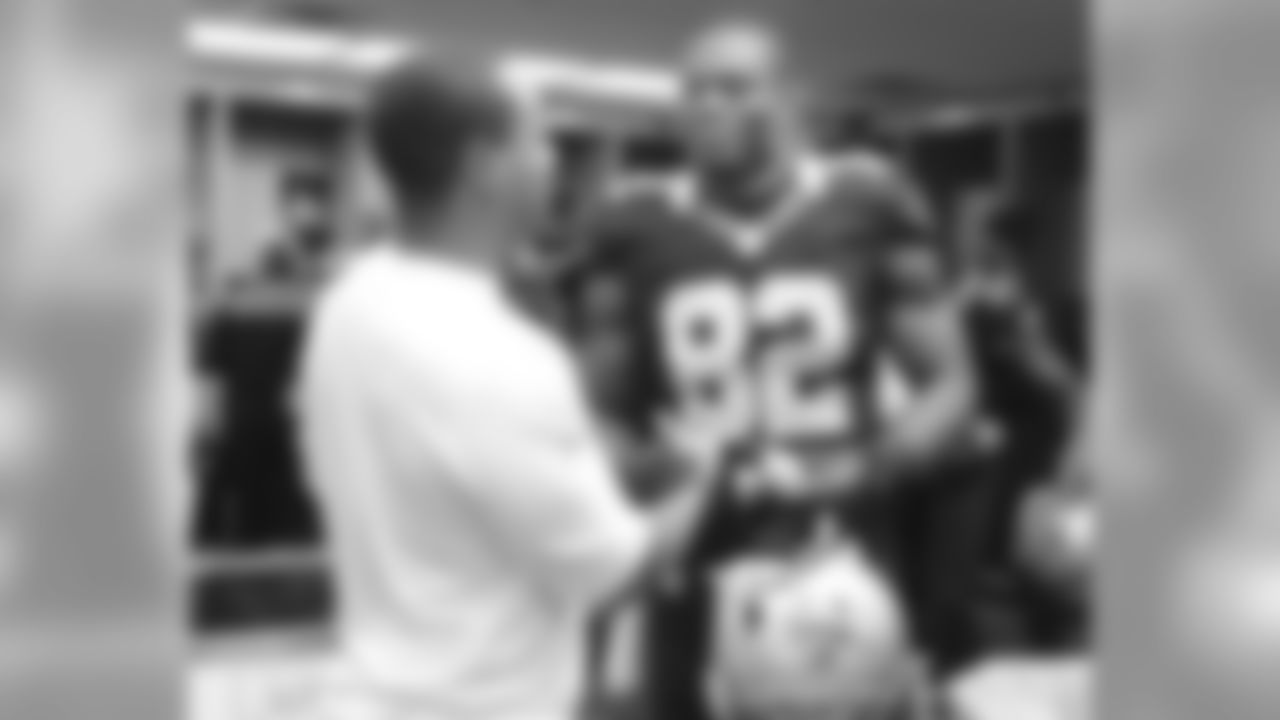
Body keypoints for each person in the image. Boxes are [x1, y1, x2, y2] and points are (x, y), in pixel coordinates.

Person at [570, 20, 975, 720]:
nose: (708, 105)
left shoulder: (868, 204)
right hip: (695, 560)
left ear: (791, 96)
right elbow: (595, 412)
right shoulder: (632, 226)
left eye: (735, 87)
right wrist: (652, 470)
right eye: (694, 89)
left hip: (841, 553)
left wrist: (865, 468)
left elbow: (953, 383)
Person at [297, 57, 723, 720]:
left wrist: (625, 462)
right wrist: (707, 474)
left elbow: (462, 470)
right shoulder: (507, 359)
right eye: (540, 137)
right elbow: (619, 571)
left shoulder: (348, 302)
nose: (555, 160)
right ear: (484, 166)